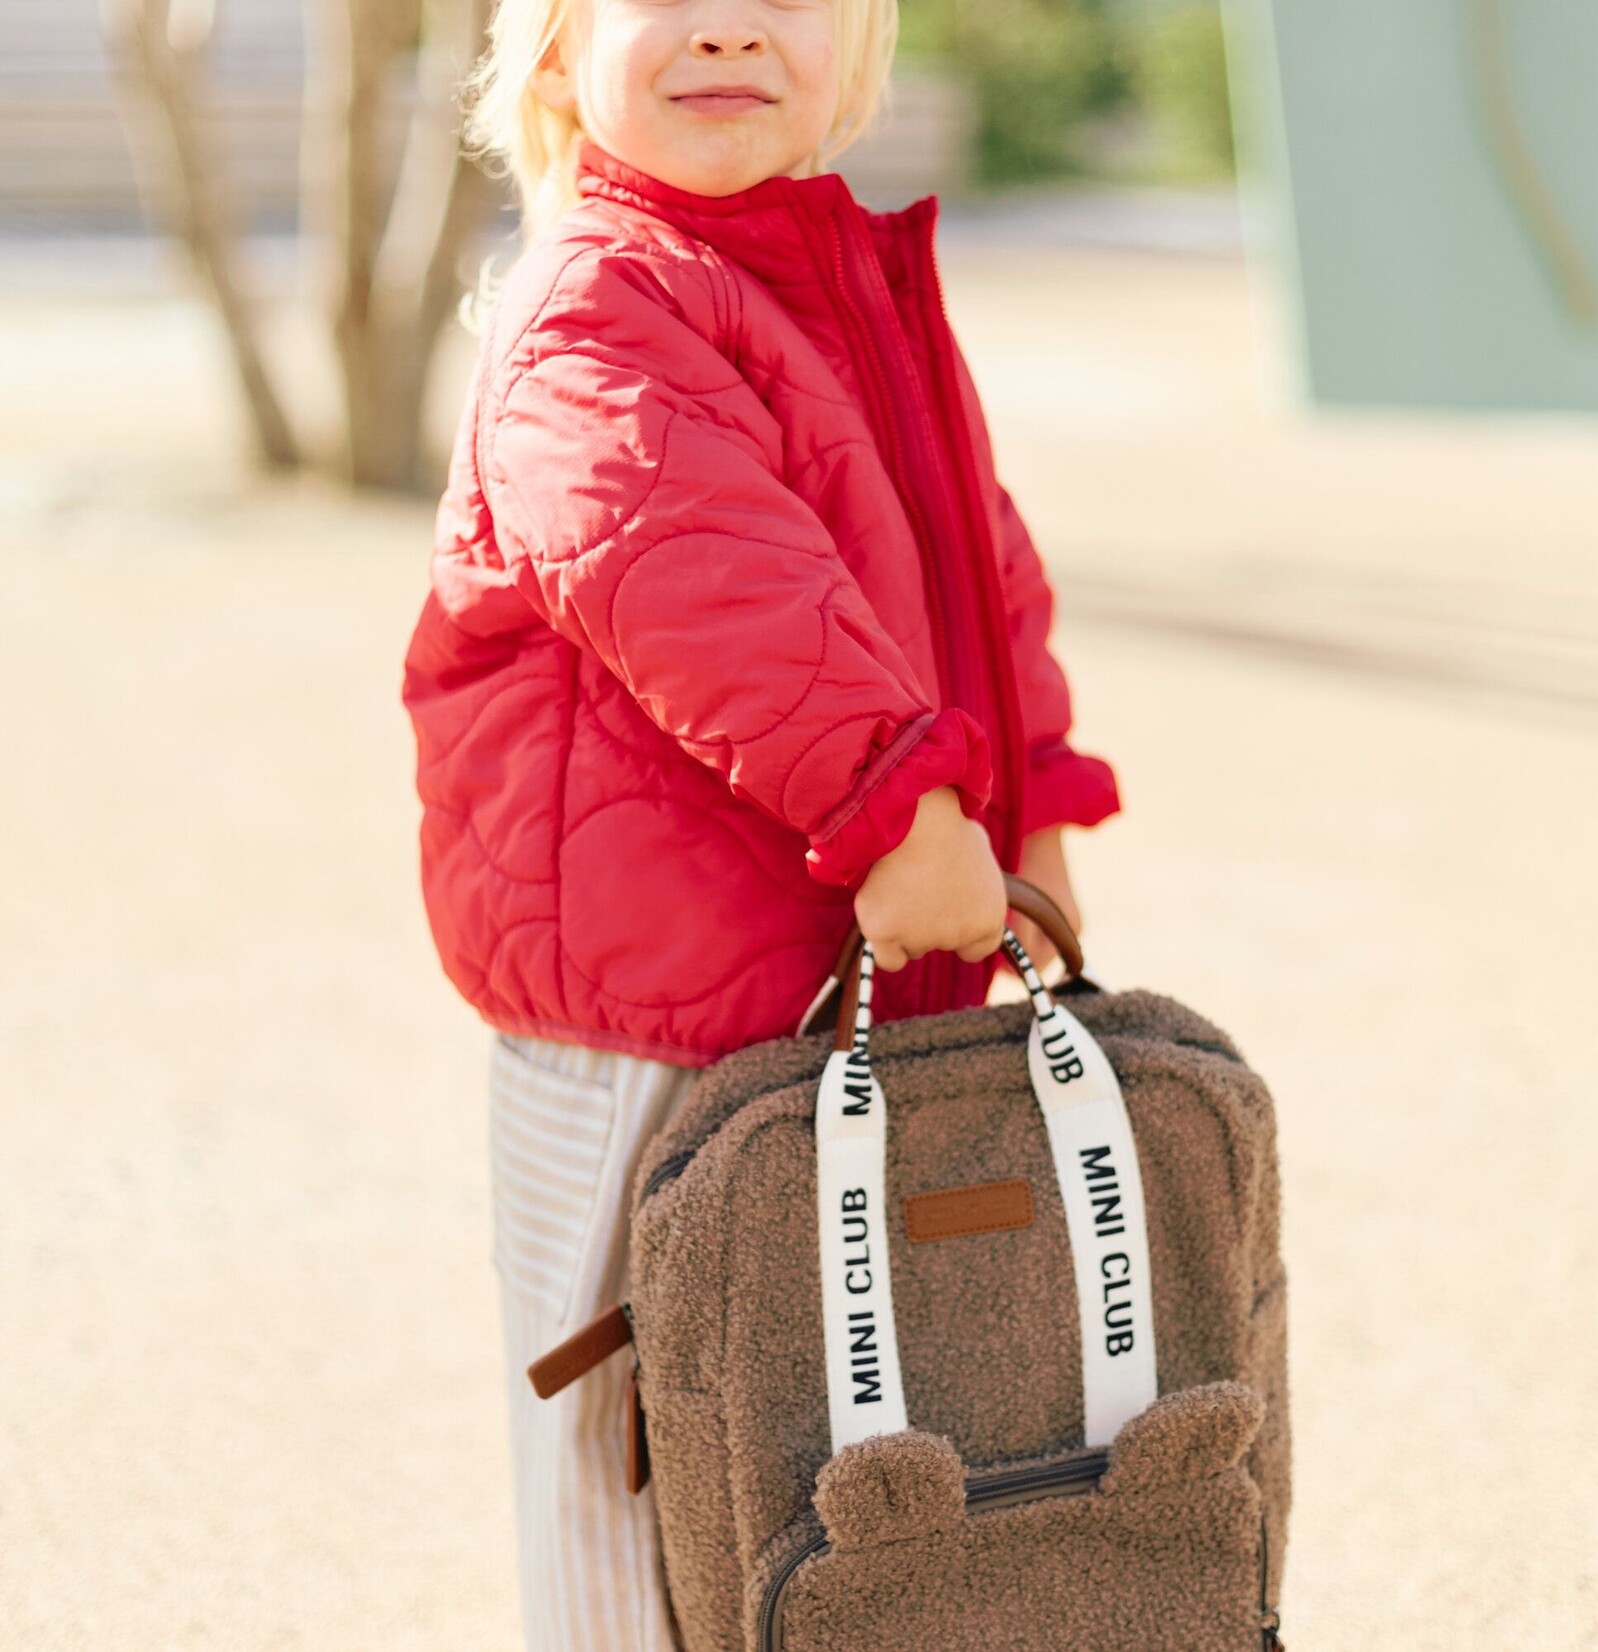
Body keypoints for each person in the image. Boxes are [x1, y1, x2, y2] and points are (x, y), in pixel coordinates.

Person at [402, 0, 1121, 1645]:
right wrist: (896, 807)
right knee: (630, 1457)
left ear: (859, 50)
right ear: (561, 51)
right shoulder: (592, 307)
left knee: (837, 1440)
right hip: (644, 1033)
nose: (730, 25)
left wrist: (1042, 801)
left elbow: (978, 576)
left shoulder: (850, 287)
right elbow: (700, 578)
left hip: (853, 975)